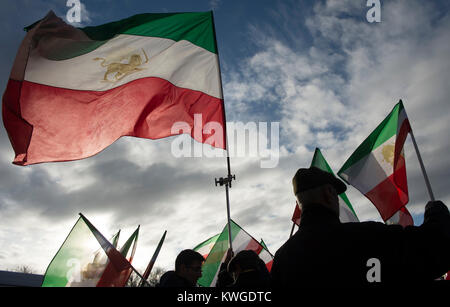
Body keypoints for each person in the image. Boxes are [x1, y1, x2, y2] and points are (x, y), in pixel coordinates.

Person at [271, 166, 450, 287]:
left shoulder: (282, 258)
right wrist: (436, 210)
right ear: (329, 193)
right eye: (335, 194)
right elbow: (435, 251)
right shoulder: (366, 237)